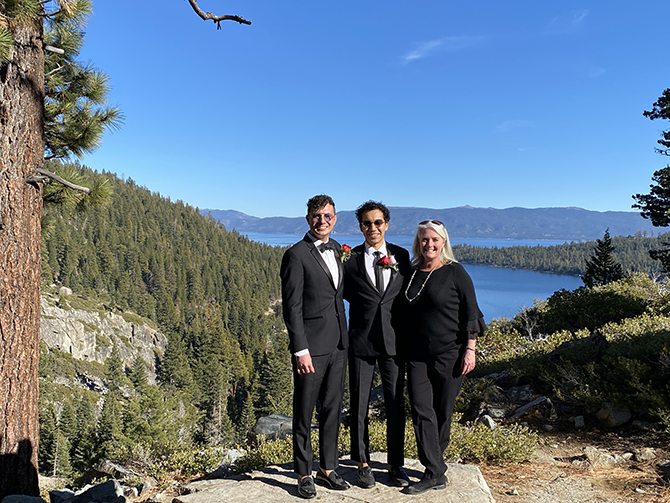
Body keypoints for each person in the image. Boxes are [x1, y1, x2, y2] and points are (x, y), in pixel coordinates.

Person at [401, 220, 485, 495]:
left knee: (442, 413)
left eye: (435, 240)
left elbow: (472, 313)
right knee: (420, 410)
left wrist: (470, 350)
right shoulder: (412, 272)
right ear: (418, 242)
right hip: (416, 355)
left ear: (444, 242)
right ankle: (435, 471)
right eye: (425, 239)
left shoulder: (455, 272)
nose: (429, 244)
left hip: (450, 354)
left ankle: (434, 469)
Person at [280, 194, 350, 499]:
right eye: (317, 216)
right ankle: (303, 472)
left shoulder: (337, 249)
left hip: (338, 344)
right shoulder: (296, 255)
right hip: (311, 348)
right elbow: (291, 307)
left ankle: (328, 469)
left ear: (335, 219)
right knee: (304, 411)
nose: (323, 221)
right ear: (308, 218)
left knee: (333, 409)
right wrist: (300, 349)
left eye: (328, 216)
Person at [343, 201, 411, 489]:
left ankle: (396, 465)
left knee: (396, 405)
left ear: (387, 224)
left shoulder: (402, 256)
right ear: (360, 227)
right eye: (367, 223)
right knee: (359, 406)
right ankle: (362, 463)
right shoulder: (350, 260)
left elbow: (410, 296)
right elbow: (339, 294)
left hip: (394, 343)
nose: (373, 228)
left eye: (378, 222)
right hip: (361, 342)